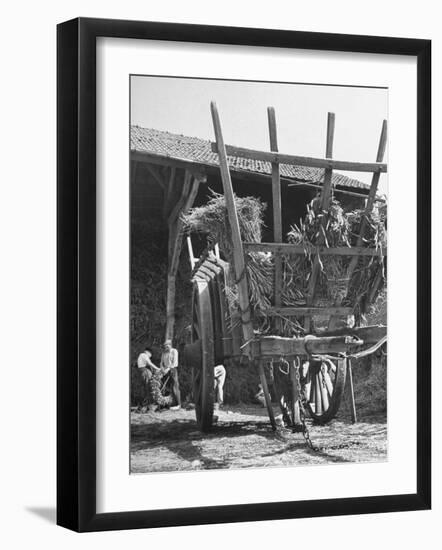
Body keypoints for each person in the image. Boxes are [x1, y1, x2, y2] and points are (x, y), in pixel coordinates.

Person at [160, 339, 181, 410]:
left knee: (175, 387)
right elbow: (161, 363)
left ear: (170, 345)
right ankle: (167, 405)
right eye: (165, 346)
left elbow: (175, 363)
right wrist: (163, 369)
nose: (166, 347)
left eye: (167, 345)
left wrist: (168, 369)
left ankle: (178, 405)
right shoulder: (163, 353)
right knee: (165, 388)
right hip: (165, 371)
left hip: (172, 370)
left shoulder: (174, 351)